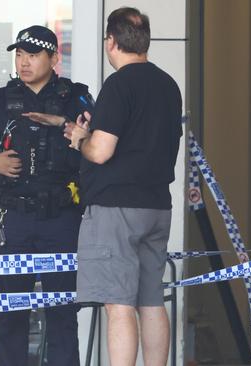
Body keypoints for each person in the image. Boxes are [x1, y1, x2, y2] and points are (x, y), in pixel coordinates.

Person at [0, 25, 93, 366]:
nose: (24, 62)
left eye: (33, 55)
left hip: (61, 220)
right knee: (11, 315)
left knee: (62, 315)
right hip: (14, 220)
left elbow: (96, 147)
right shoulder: (0, 99)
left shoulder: (76, 97)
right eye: (19, 55)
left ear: (53, 58)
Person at [65, 7, 183, 366]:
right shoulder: (168, 85)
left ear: (111, 41)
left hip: (116, 209)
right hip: (157, 206)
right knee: (150, 302)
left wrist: (80, 139)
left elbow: (101, 152)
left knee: (119, 306)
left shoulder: (119, 84)